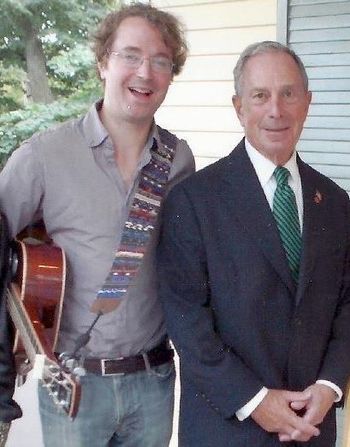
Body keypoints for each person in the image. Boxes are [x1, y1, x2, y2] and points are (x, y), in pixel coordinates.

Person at [0, 3, 194, 446]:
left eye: (160, 61)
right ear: (104, 62)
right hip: (74, 386)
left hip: (155, 381)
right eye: (130, 55)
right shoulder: (44, 155)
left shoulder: (179, 160)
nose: (144, 72)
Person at [157, 40, 350, 446]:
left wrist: (331, 385)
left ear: (307, 103)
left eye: (288, 94)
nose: (276, 110)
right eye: (260, 95)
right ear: (239, 106)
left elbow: (347, 305)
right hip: (227, 426)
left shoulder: (334, 202)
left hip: (311, 426)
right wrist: (255, 400)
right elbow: (186, 319)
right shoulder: (193, 201)